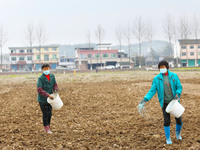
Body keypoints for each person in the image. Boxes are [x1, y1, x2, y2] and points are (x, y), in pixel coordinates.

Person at [138, 60, 183, 144]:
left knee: (179, 119)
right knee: (166, 121)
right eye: (160, 67)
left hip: (174, 102)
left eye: (163, 67)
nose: (162, 68)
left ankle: (178, 133)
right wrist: (145, 99)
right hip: (165, 103)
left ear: (167, 67)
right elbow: (152, 90)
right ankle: (168, 138)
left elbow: (179, 87)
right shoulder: (157, 79)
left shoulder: (174, 76)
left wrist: (177, 94)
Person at [37, 64, 58, 134]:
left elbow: (55, 84)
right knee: (45, 114)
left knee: (49, 113)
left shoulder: (52, 76)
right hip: (43, 99)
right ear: (42, 70)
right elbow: (39, 89)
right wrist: (47, 95)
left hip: (51, 98)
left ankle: (48, 127)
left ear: (49, 68)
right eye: (44, 69)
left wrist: (55, 89)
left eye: (47, 68)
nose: (46, 70)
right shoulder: (40, 78)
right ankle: (46, 128)